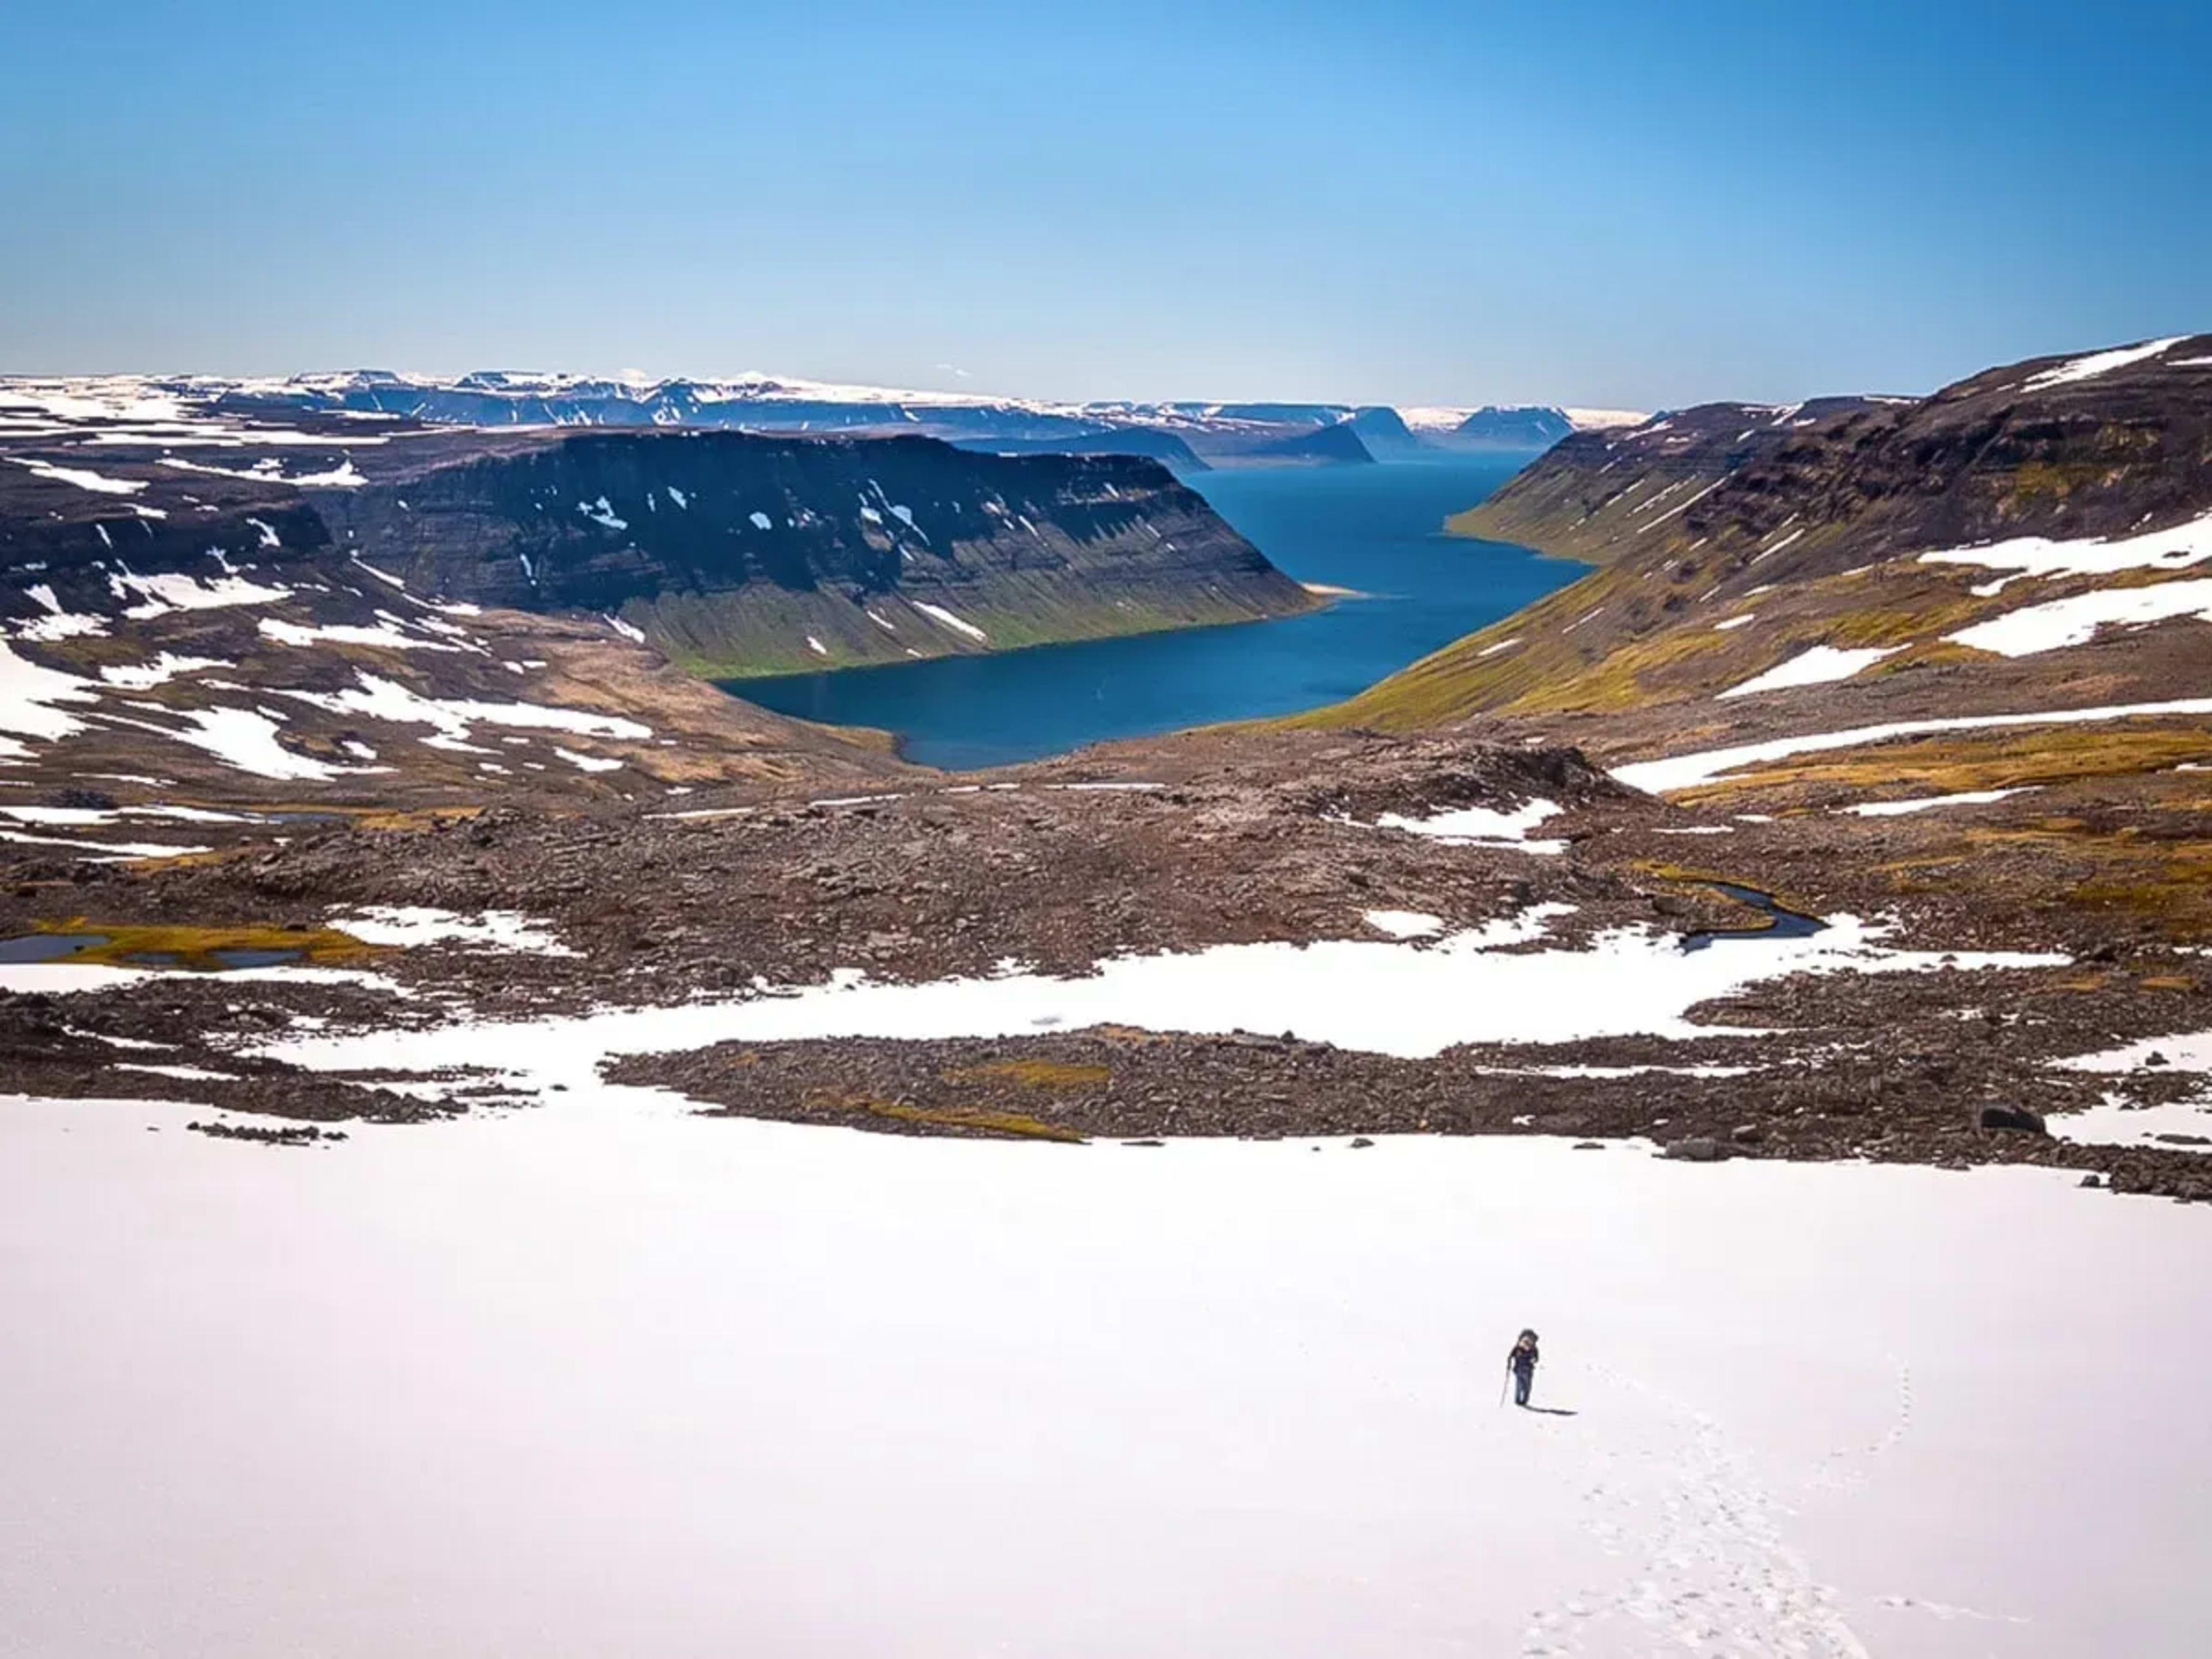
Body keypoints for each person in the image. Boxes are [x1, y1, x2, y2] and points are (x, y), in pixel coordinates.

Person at [1507, 1329, 1540, 1407]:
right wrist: (1509, 1364)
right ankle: (1520, 1401)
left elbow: (1536, 1358)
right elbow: (1511, 1357)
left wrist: (1534, 1360)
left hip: (1525, 1370)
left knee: (1524, 1386)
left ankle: (1521, 1401)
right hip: (1521, 1369)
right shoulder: (1519, 1348)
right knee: (1522, 1386)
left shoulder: (1532, 1349)